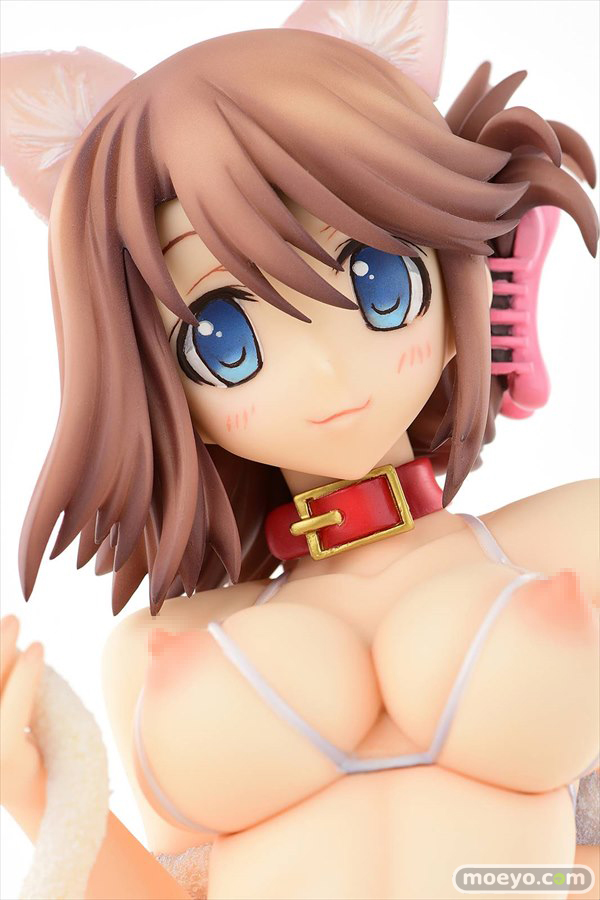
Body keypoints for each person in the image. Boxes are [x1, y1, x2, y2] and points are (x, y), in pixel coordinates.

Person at [1, 3, 598, 898]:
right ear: (157, 388)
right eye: (225, 337)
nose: (326, 367)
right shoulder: (158, 648)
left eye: (379, 278)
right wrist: (39, 792)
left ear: (464, 280)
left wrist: (517, 884)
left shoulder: (578, 534)